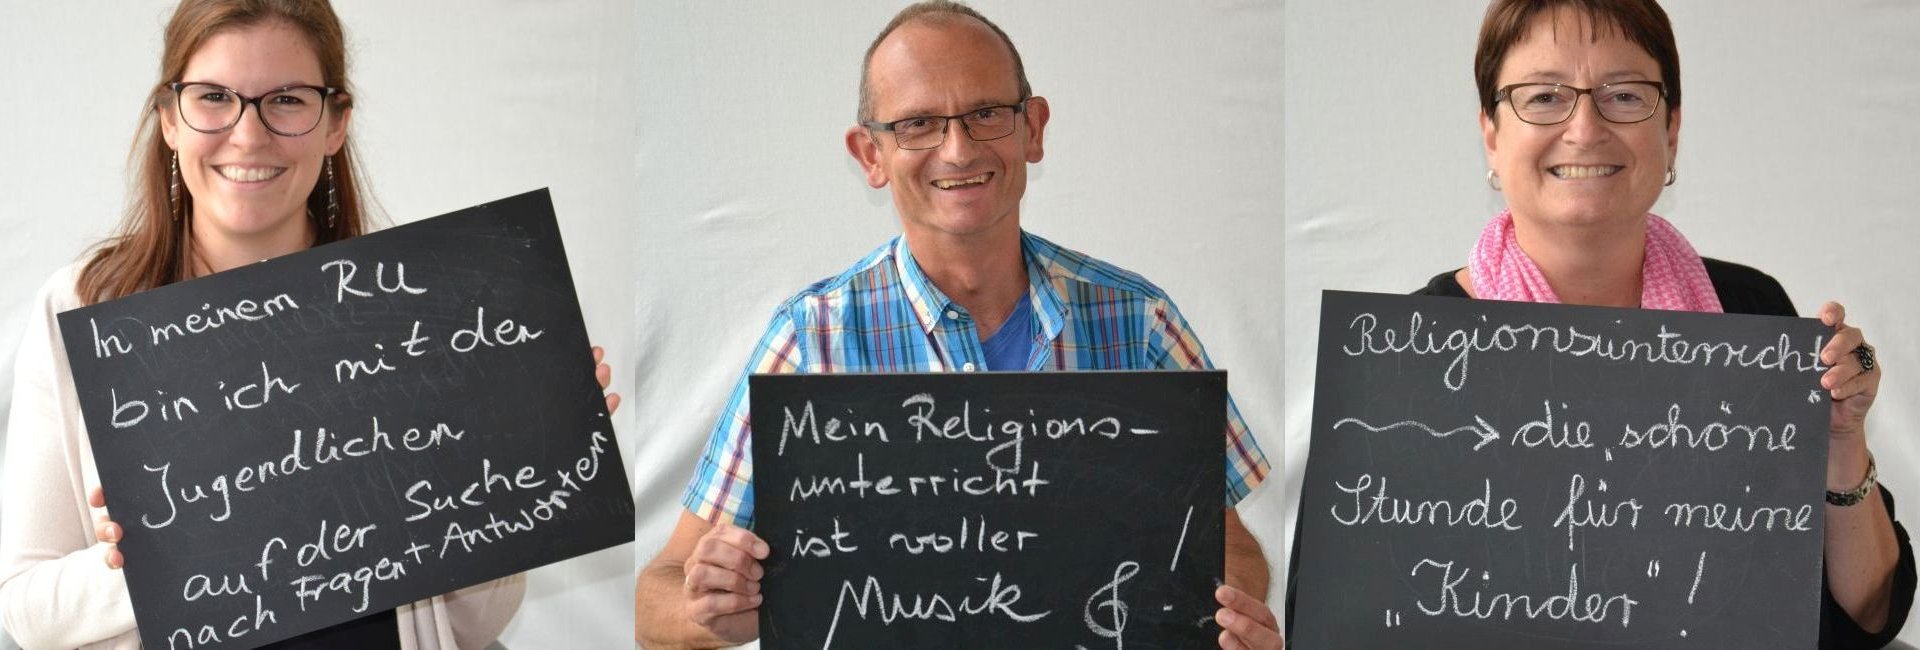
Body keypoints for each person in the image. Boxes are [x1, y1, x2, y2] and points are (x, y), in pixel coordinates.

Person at [633, 2, 1282, 649]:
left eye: (987, 113)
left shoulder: (1137, 323)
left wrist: (1217, 617)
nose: (958, 148)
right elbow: (656, 596)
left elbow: (1234, 552)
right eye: (917, 123)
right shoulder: (811, 340)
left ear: (1033, 128)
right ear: (871, 154)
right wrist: (713, 608)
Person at [1285, 0, 1914, 647]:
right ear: (1491, 134)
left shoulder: (1751, 314)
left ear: (1671, 130)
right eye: (1544, 97)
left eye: (1624, 95)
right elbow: (1334, 621)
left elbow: (1867, 616)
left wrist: (1841, 441)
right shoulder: (1400, 360)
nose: (1585, 128)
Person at [0, 1, 618, 648]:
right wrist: (162, 559)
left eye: (287, 100)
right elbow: (25, 610)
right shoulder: (80, 307)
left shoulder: (419, 317)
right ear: (169, 119)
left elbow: (473, 627)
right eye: (214, 97)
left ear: (336, 124)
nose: (248, 134)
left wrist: (514, 466)